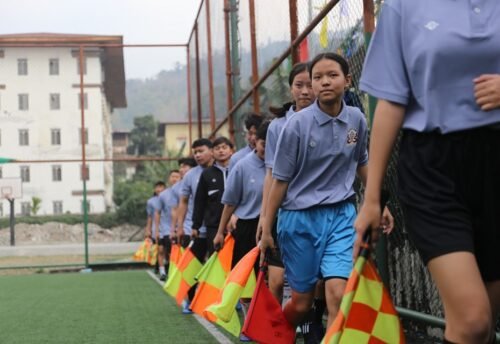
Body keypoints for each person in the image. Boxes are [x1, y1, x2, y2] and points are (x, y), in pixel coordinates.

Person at [355, 1, 500, 343]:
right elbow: (391, 102)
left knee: (479, 325)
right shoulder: (404, 6)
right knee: (473, 319)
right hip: (432, 168)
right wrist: (373, 198)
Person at [260, 52, 393, 329]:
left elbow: (362, 162)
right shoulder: (295, 125)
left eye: (332, 75)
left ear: (347, 80)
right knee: (302, 303)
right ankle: (277, 333)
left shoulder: (356, 119)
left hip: (342, 216)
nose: (323, 82)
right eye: (317, 78)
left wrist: (378, 202)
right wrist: (267, 225)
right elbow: (279, 180)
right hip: (299, 220)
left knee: (338, 294)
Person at [213, 121, 268, 342]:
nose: (269, 148)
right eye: (265, 143)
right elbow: (230, 202)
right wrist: (220, 231)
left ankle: (270, 320)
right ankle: (248, 324)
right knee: (247, 278)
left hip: (275, 225)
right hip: (247, 227)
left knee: (273, 278)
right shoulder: (243, 166)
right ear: (256, 141)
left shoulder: (284, 162)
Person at [176, 138, 214, 314]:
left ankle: (217, 301)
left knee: (217, 267)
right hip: (195, 230)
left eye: (201, 151)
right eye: (195, 152)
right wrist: (180, 226)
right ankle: (189, 301)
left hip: (217, 228)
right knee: (192, 267)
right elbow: (183, 202)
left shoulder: (223, 171)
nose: (197, 155)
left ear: (211, 150)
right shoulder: (191, 175)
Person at [192, 137, 233, 256]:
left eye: (224, 147)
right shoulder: (207, 174)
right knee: (216, 259)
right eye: (217, 148)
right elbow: (200, 201)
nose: (221, 151)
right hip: (214, 226)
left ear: (231, 151)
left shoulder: (238, 170)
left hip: (237, 224)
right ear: (212, 152)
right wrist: (196, 225)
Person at [154, 170, 181, 281]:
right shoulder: (163, 195)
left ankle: (173, 272)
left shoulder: (185, 191)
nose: (174, 179)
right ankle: (162, 271)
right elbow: (157, 212)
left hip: (181, 229)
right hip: (165, 230)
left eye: (177, 176)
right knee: (161, 250)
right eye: (172, 176)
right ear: (169, 179)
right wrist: (156, 230)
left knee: (174, 253)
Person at [170, 158, 197, 247]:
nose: (181, 170)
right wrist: (174, 229)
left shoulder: (201, 180)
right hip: (186, 227)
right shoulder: (175, 188)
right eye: (180, 167)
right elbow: (175, 209)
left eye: (184, 167)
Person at [145, 181, 166, 274]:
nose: (159, 189)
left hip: (167, 227)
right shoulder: (151, 202)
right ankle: (160, 268)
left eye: (161, 187)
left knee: (166, 249)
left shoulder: (169, 198)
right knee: (159, 249)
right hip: (156, 228)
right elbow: (149, 216)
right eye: (157, 187)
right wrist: (148, 229)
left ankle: (164, 266)